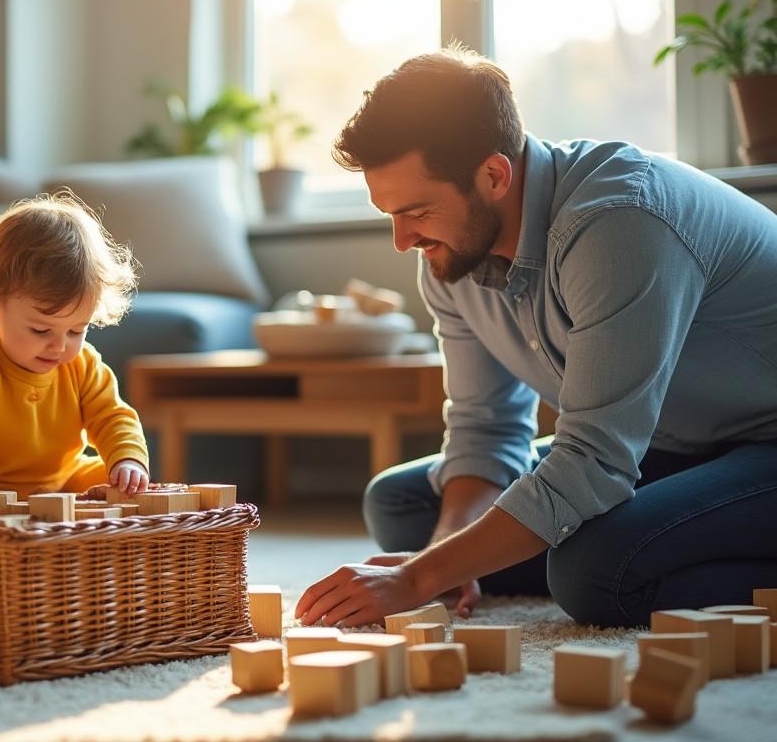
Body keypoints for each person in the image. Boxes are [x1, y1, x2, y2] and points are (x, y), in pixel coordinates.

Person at [295, 47, 777, 629]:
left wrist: (416, 578)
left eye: (417, 211)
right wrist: (441, 557)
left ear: (494, 175)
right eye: (390, 215)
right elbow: (486, 426)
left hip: (763, 441)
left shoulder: (620, 223)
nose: (403, 241)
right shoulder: (451, 254)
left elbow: (593, 462)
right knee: (404, 506)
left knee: (594, 571)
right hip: (673, 444)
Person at [0, 193, 150, 500]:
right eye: (40, 330)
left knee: (126, 485)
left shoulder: (84, 365)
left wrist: (128, 460)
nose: (58, 346)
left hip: (63, 481)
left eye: (76, 330)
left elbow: (112, 418)